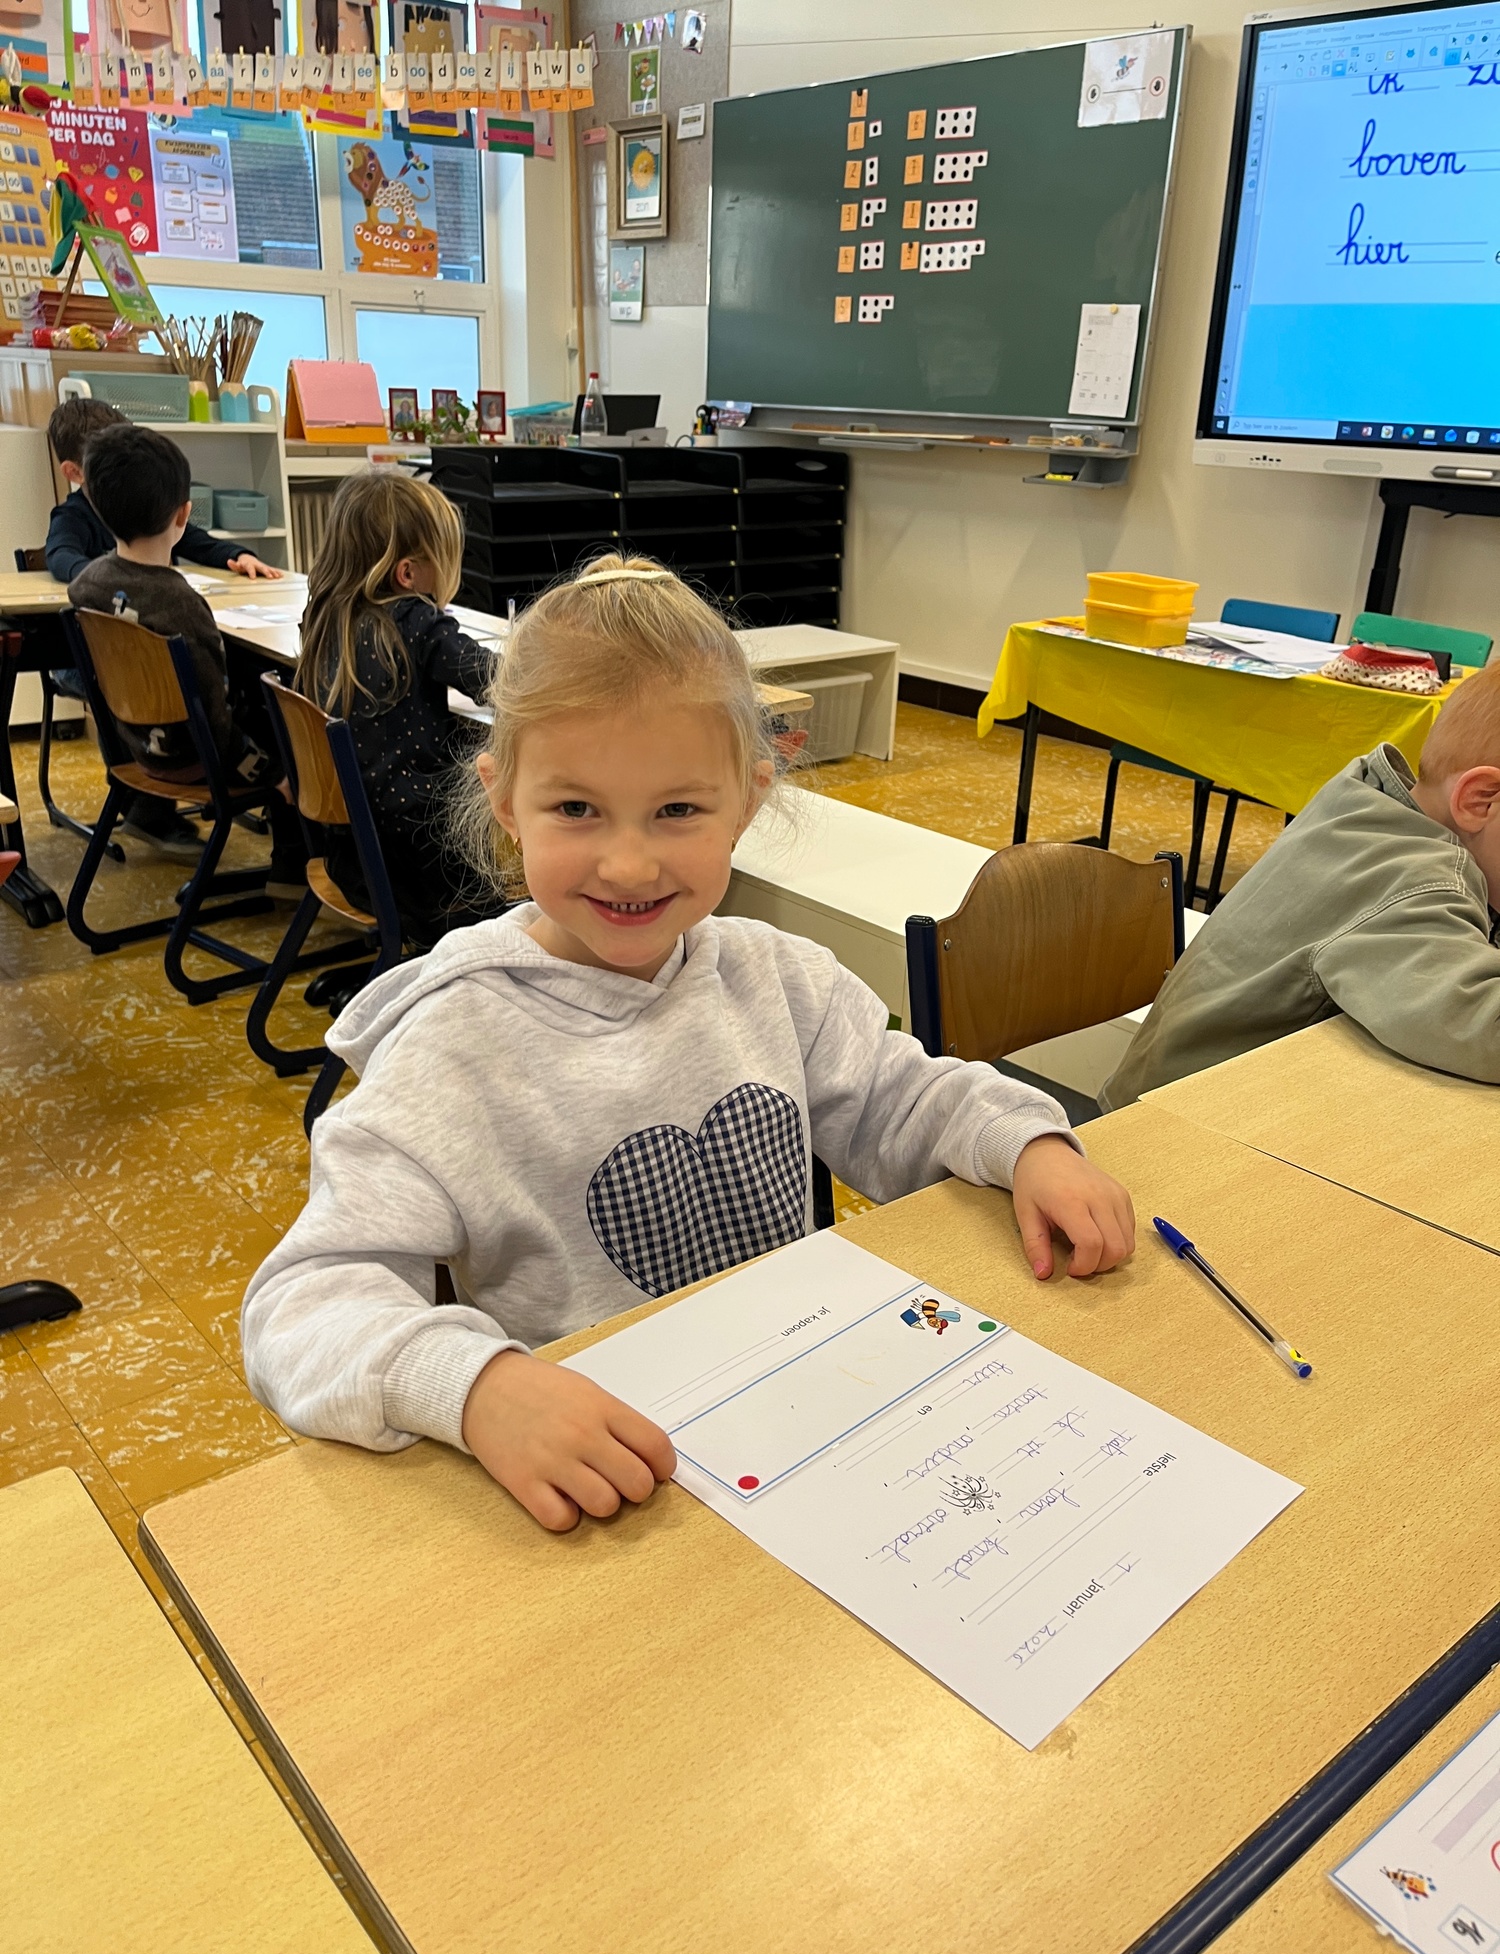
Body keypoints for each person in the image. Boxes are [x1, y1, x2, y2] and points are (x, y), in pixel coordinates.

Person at [243, 554, 1136, 1533]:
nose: (629, 863)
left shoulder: (777, 978)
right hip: (611, 1489)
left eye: (677, 810)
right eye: (576, 809)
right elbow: (302, 1304)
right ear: (504, 799)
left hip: (801, 1425)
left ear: (746, 801)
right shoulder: (452, 1045)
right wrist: (479, 1387)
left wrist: (1026, 1142)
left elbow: (904, 1100)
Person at [1101, 667, 1500, 1108]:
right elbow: (1477, 1027)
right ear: (1479, 800)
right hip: (1172, 1122)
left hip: (1167, 1089)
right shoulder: (1420, 880)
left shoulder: (1368, 802)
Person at [66, 424, 303, 895]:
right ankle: (293, 870)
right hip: (195, 759)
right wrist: (274, 775)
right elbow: (216, 727)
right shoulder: (182, 607)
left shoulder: (85, 586)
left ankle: (149, 813)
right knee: (287, 716)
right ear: (184, 513)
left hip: (136, 749)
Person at [294, 472, 509, 944]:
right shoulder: (412, 620)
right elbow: (498, 681)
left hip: (352, 857)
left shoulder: (324, 618)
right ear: (407, 574)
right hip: (421, 870)